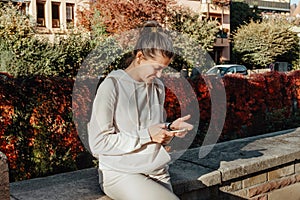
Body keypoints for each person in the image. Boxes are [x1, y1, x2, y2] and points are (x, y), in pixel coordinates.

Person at [88, 21, 194, 200]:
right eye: (156, 67)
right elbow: (98, 144)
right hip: (121, 173)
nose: (160, 75)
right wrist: (148, 135)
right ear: (139, 57)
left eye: (163, 69)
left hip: (156, 169)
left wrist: (168, 128)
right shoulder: (112, 85)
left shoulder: (157, 86)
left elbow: (152, 128)